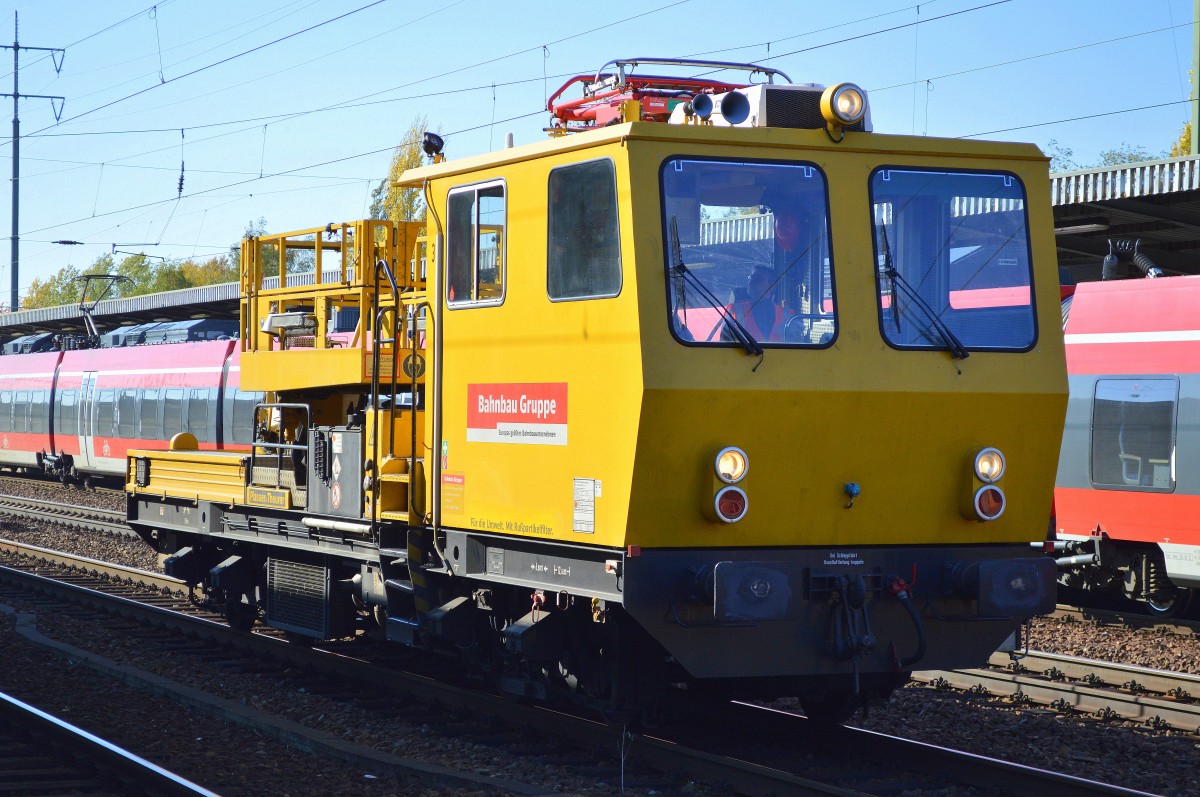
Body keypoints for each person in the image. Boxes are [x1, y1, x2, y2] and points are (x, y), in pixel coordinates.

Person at [722, 266, 795, 342]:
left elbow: (795, 344)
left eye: (757, 279)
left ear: (772, 285)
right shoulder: (735, 310)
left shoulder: (787, 316)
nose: (751, 282)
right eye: (751, 278)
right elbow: (724, 341)